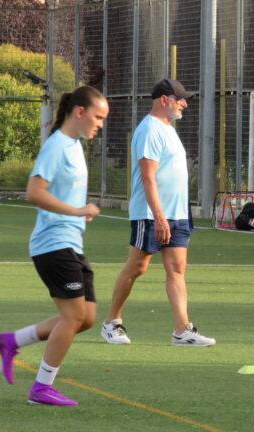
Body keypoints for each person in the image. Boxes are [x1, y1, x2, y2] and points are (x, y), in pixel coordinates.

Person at [0, 86, 109, 406]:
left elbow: (60, 193)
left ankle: (11, 341)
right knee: (72, 318)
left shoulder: (73, 146)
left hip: (70, 242)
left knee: (84, 318)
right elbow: (34, 191)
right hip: (52, 245)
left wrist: (76, 213)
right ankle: (41, 388)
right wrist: (77, 210)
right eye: (98, 117)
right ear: (80, 112)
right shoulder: (57, 145)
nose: (100, 124)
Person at [100, 78, 215, 347]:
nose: (185, 103)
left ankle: (182, 330)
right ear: (165, 100)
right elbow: (147, 177)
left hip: (178, 213)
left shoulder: (168, 128)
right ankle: (111, 323)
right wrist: (160, 217)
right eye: (180, 99)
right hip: (151, 214)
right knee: (137, 267)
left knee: (176, 268)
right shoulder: (149, 130)